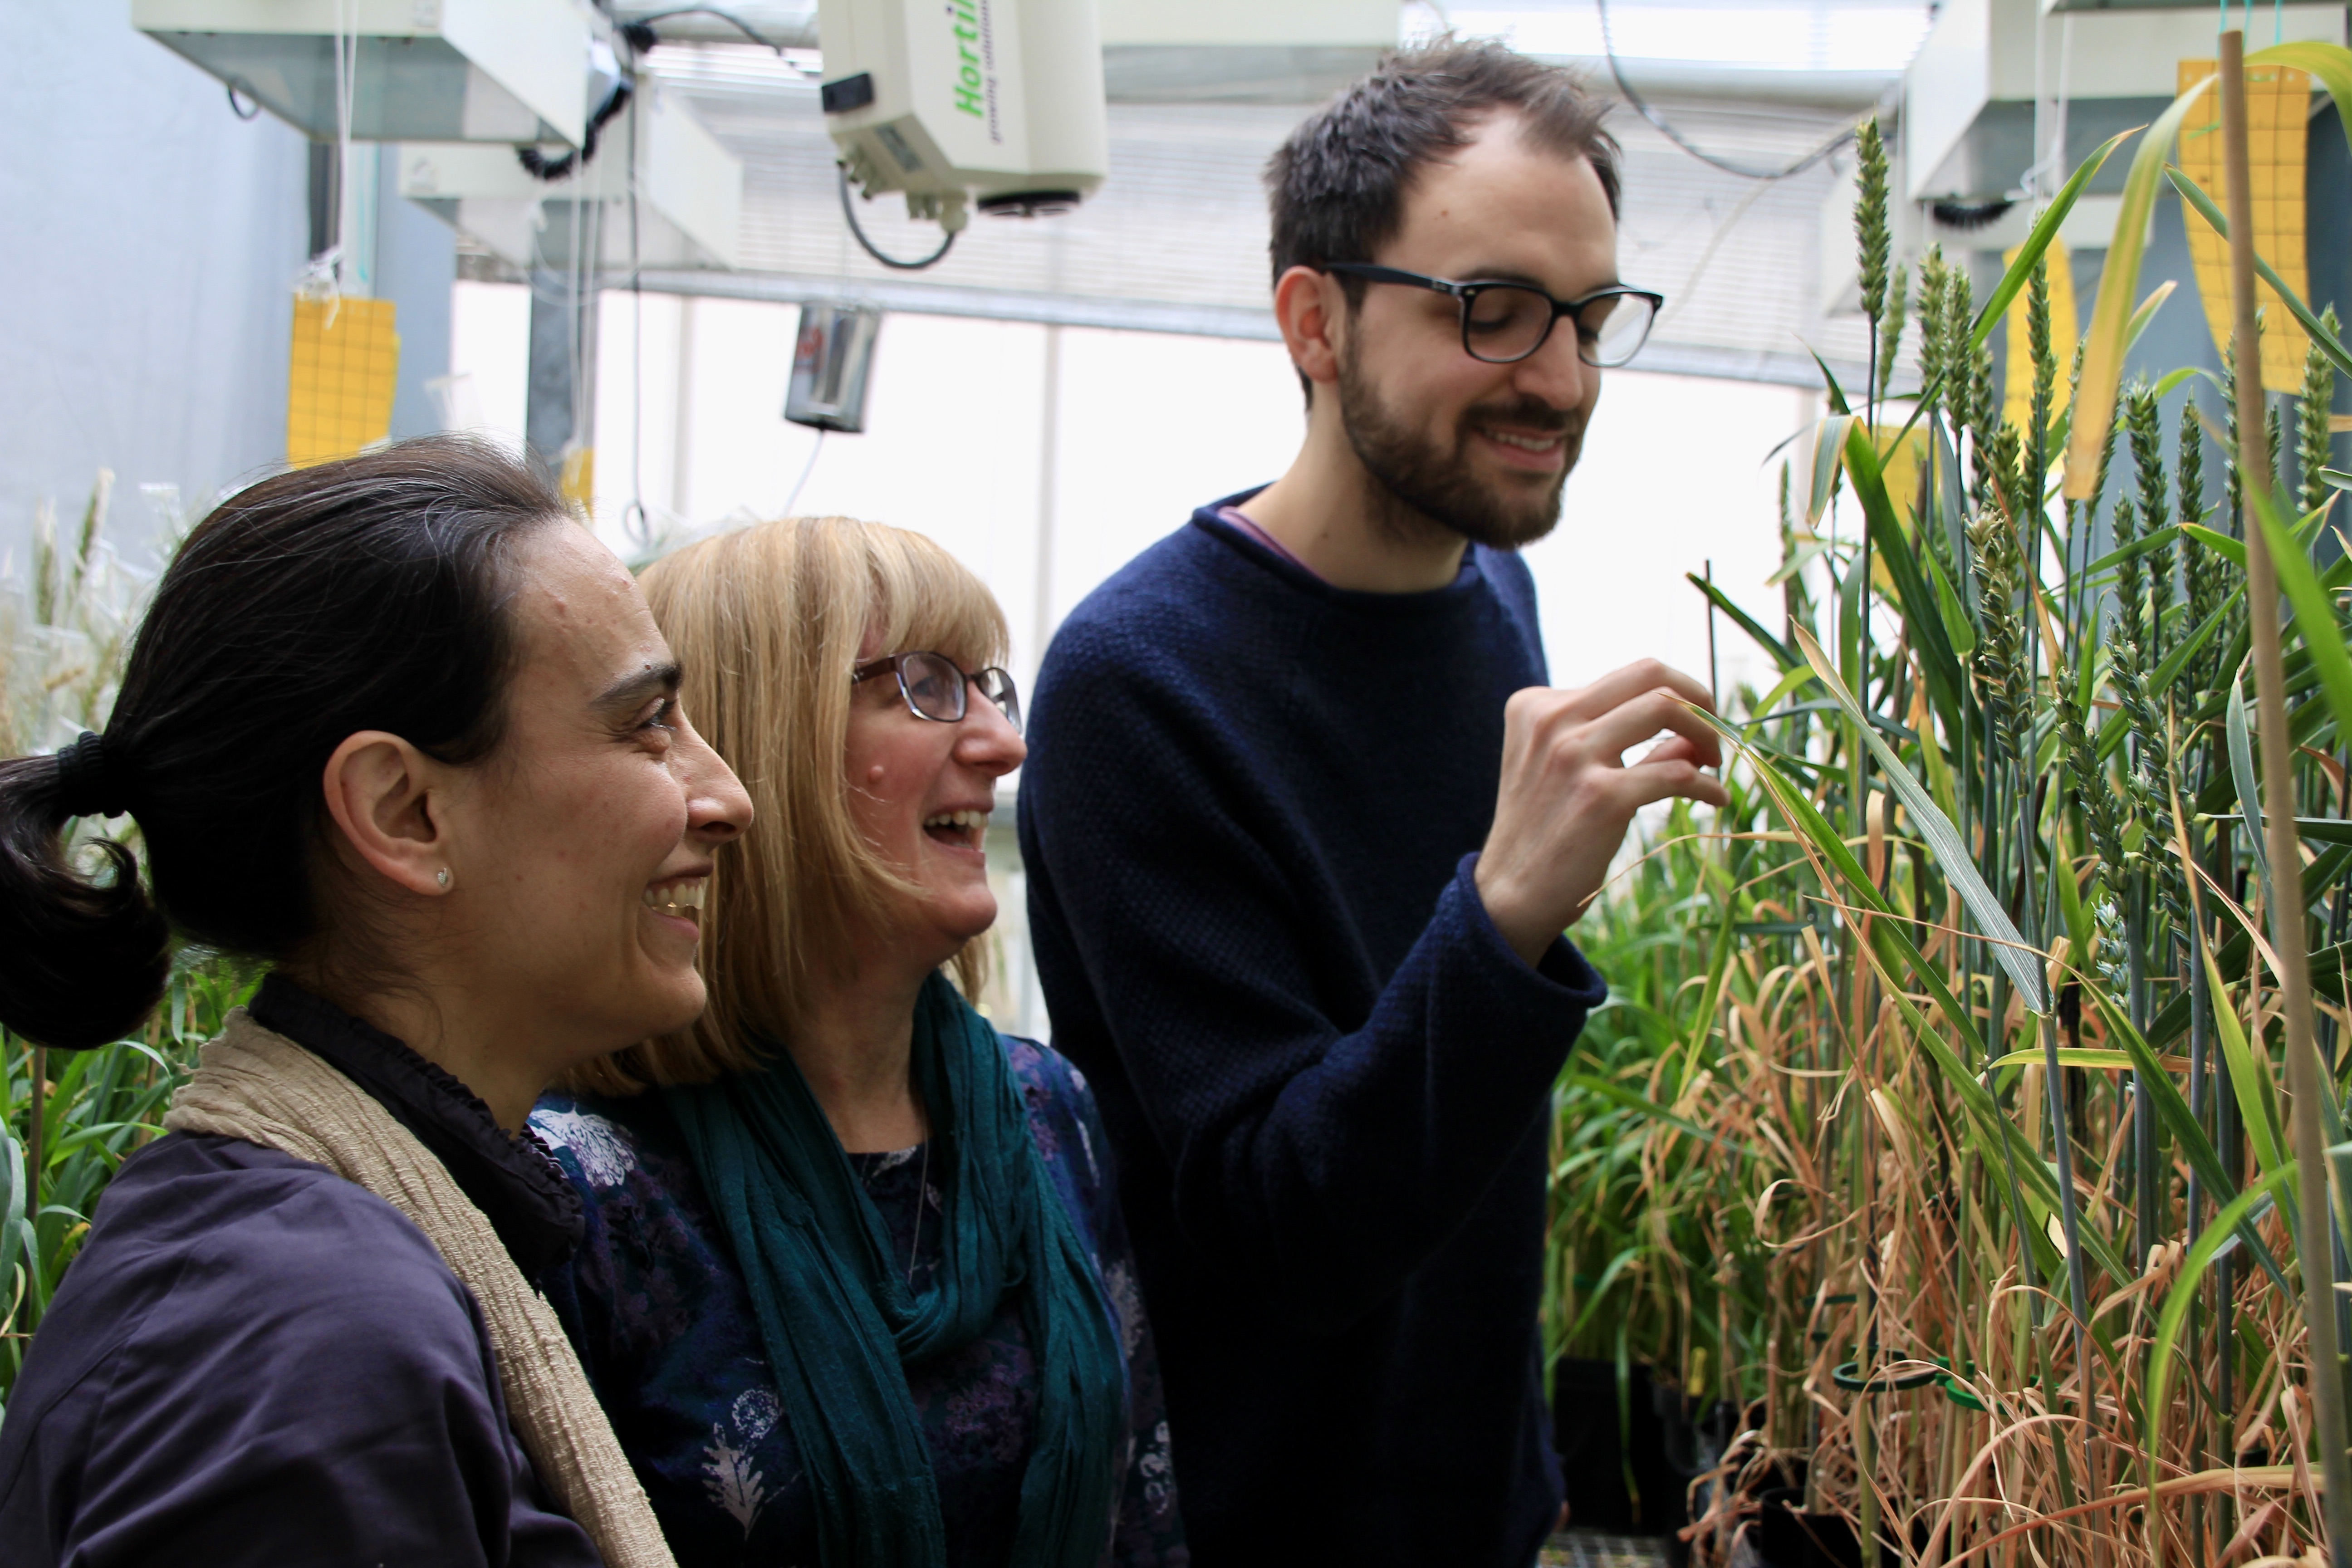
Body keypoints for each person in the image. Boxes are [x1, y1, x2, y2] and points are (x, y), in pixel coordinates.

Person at [1016, 39, 1730, 1568]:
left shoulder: (1496, 593)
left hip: (1486, 1502)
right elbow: (1280, 1225)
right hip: (1254, 1523)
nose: (1560, 377)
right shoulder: (1139, 681)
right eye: (1493, 311)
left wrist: (1522, 1473)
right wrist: (1505, 909)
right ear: (1314, 318)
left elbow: (1454, 1163)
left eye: (1591, 317)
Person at [0, 436, 754, 1568]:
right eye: (646, 722)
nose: (728, 796)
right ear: (402, 812)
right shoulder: (303, 1338)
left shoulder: (319, 1267)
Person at [530, 515, 1185, 1568]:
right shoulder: (577, 1182)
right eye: (925, 686)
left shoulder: (1044, 1107)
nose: (1004, 745)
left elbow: (1142, 1514)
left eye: (990, 687)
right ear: (762, 737)